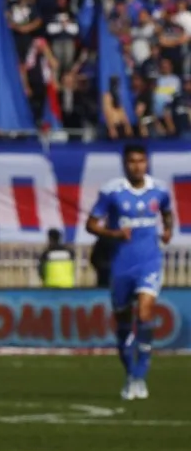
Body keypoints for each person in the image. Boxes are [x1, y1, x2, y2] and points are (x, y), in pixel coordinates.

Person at [85, 144, 172, 400]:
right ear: (125, 164)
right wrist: (113, 234)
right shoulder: (112, 192)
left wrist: (168, 230)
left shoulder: (159, 189)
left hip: (150, 261)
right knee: (123, 324)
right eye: (132, 161)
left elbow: (167, 213)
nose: (137, 166)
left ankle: (141, 376)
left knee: (145, 314)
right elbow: (91, 224)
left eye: (141, 161)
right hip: (121, 264)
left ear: (147, 163)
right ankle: (130, 375)